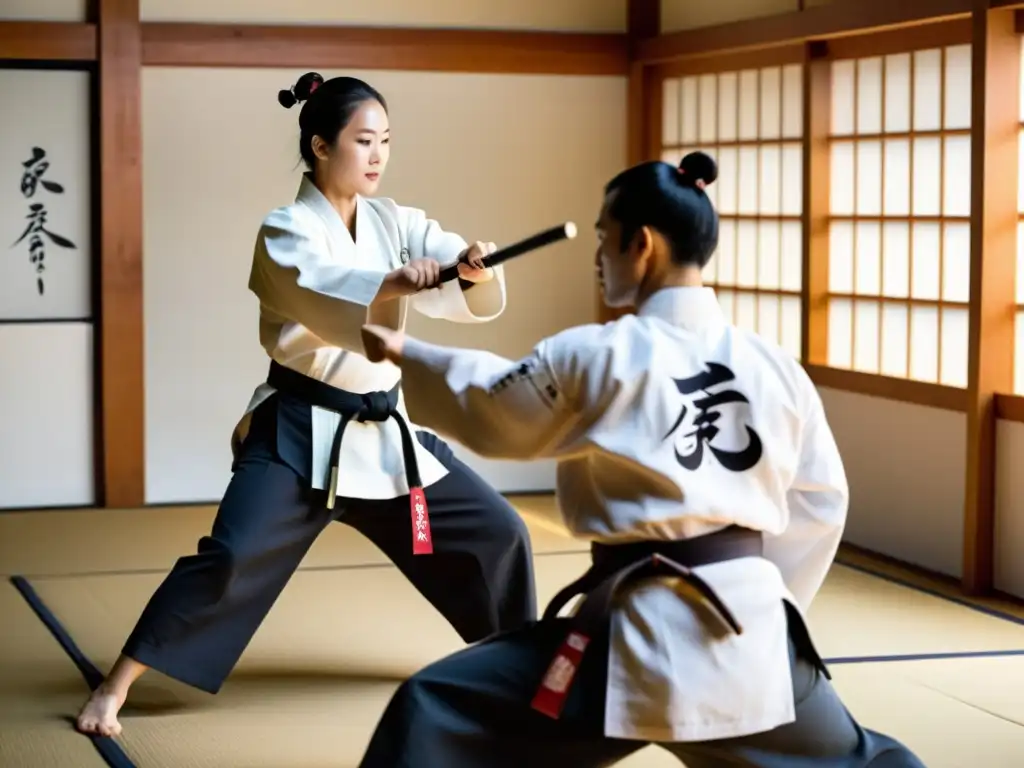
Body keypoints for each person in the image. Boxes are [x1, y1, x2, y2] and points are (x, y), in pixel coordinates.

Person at [355, 152, 927, 766]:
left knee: (433, 712)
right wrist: (760, 599)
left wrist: (406, 353)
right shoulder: (776, 366)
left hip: (624, 640)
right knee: (865, 760)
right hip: (748, 634)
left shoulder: (598, 356)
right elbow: (820, 501)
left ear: (642, 244)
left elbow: (498, 412)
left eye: (604, 238)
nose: (598, 256)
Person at [76, 72, 536, 737]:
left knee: (499, 532)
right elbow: (323, 297)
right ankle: (113, 687)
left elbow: (446, 271)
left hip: (384, 433)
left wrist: (470, 266)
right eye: (363, 141)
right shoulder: (285, 231)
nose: (377, 155)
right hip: (300, 429)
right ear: (320, 146)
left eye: (386, 141)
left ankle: (516, 674)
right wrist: (387, 284)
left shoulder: (396, 221)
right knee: (230, 558)